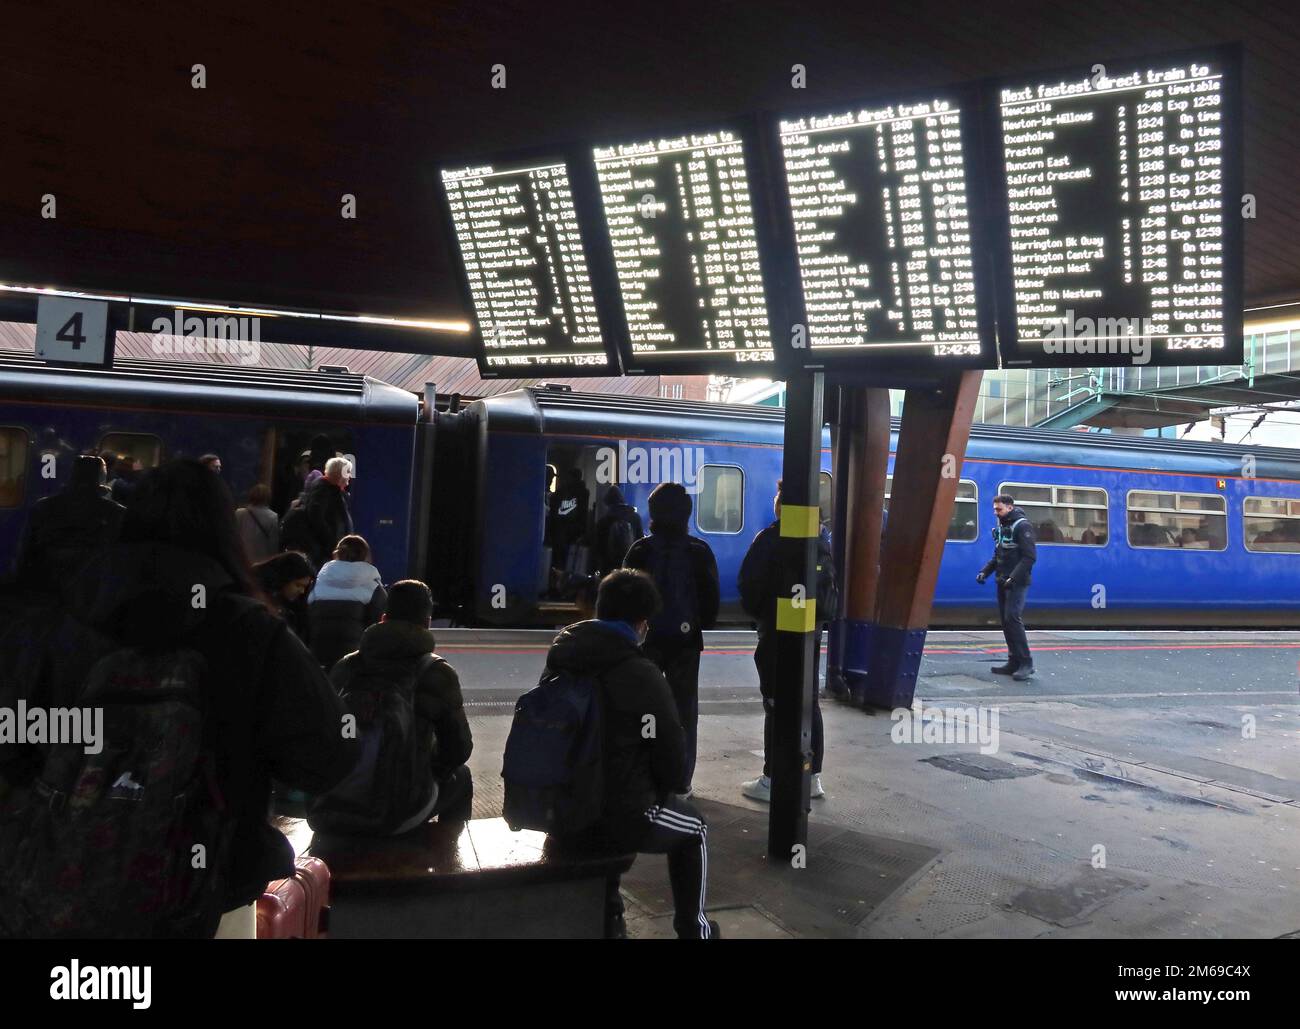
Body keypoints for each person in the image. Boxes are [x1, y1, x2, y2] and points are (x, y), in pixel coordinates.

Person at [0, 459, 356, 938]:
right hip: (203, 895)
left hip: (51, 886)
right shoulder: (249, 630)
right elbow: (327, 757)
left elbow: (14, 741)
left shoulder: (57, 617)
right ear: (222, 528)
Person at [549, 569, 717, 940]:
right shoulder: (642, 674)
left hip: (557, 807)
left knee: (600, 807)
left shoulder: (563, 656)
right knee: (694, 829)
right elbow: (673, 767)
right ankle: (695, 930)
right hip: (616, 816)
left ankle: (610, 916)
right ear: (642, 623)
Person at [311, 579, 473, 833]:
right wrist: (423, 768)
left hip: (329, 808)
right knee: (462, 778)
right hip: (392, 815)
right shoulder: (436, 672)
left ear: (383, 618)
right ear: (427, 622)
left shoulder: (346, 667)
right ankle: (446, 857)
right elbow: (458, 750)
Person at [737, 480, 836, 803]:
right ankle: (812, 777)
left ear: (781, 508)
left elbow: (748, 585)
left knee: (776, 702)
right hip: (809, 630)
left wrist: (763, 615)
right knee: (808, 701)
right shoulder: (820, 540)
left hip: (778, 632)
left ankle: (773, 777)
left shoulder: (769, 539)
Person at [623, 482, 719, 797]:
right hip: (686, 644)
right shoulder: (699, 551)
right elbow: (711, 605)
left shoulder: (640, 549)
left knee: (642, 707)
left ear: (653, 513)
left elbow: (623, 599)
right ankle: (681, 783)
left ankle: (641, 774)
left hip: (644, 644)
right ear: (687, 514)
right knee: (683, 712)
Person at [13, 454, 124, 593]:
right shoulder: (116, 513)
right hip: (90, 592)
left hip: (44, 587)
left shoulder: (43, 507)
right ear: (102, 480)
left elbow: (25, 550)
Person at [977, 493, 1038, 681]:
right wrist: (985, 572)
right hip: (1002, 580)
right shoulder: (1003, 526)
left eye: (999, 509)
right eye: (995, 509)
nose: (995, 512)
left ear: (1009, 507)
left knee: (1012, 617)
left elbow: (1029, 557)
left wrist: (1013, 578)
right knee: (1006, 621)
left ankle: (1026, 663)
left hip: (1017, 582)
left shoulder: (1022, 526)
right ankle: (1014, 661)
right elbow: (998, 554)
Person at [307, 534, 387, 669]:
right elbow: (378, 629)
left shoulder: (317, 584)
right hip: (354, 661)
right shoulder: (373, 588)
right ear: (366, 555)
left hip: (317, 657)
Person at [301, 456, 354, 568]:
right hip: (324, 554)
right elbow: (317, 519)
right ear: (339, 473)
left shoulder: (333, 491)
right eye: (348, 472)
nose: (350, 476)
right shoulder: (323, 490)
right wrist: (332, 544)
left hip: (331, 551)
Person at [253, 551, 316, 641]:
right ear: (285, 578)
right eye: (298, 585)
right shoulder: (258, 602)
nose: (302, 591)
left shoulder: (292, 609)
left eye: (304, 587)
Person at [593, 485, 643, 577]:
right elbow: (640, 541)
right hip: (630, 565)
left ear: (607, 503)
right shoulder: (635, 517)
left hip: (609, 567)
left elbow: (598, 547)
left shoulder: (604, 521)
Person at [236, 483, 280, 563]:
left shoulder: (240, 513)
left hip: (242, 558)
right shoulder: (273, 517)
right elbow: (273, 543)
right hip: (262, 561)